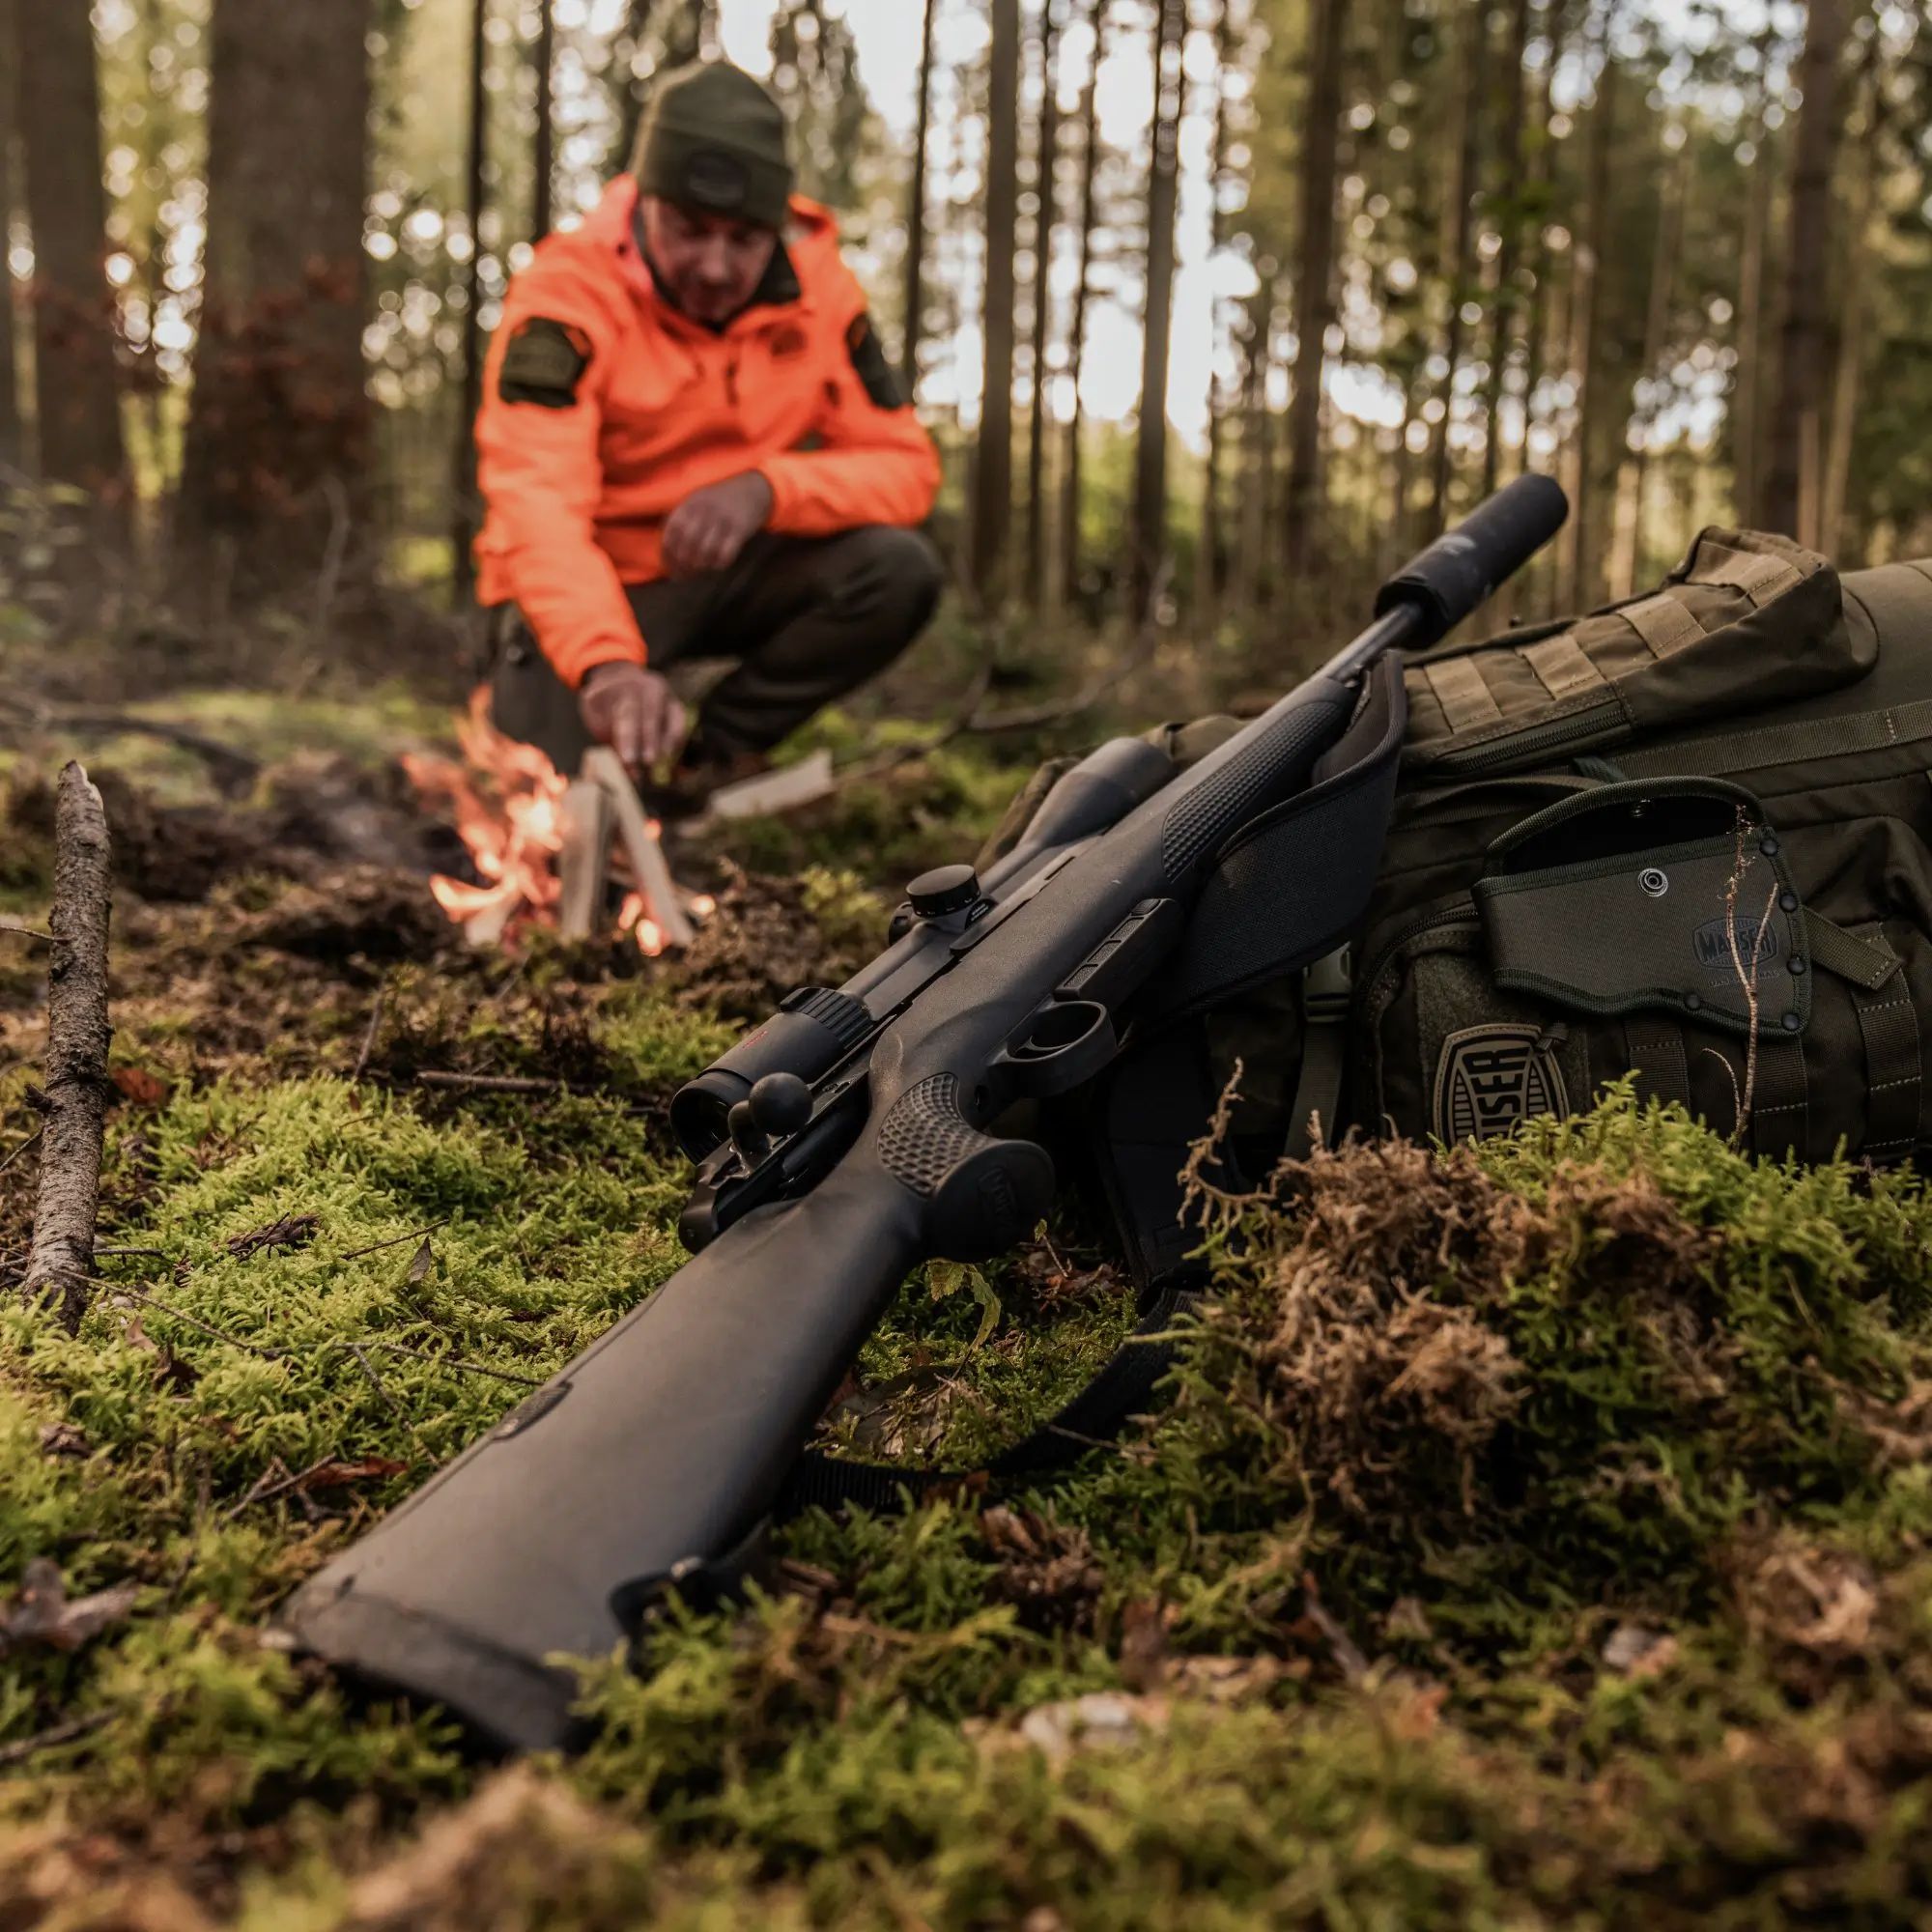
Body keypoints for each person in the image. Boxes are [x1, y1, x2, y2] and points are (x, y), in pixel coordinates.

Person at [472, 59, 945, 810]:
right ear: (646, 202)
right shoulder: (567, 290)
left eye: (745, 239)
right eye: (689, 232)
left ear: (778, 224)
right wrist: (606, 664)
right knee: (555, 813)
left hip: (732, 573)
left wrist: (769, 489)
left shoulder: (822, 289)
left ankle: (712, 757)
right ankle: (601, 723)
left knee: (895, 570)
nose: (716, 267)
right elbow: (535, 502)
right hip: (598, 585)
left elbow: (906, 470)